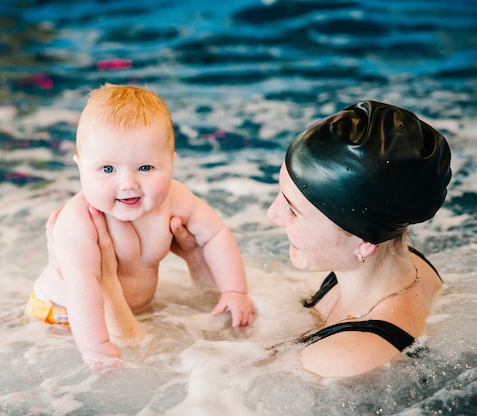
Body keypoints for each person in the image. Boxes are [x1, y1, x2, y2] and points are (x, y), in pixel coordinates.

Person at [89, 100, 452, 378]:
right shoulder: (398, 266)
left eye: (293, 210)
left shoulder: (345, 358)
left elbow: (170, 381)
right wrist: (198, 259)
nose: (272, 214)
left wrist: (104, 281)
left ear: (363, 241)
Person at [27, 83, 254, 365]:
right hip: (63, 316)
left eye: (146, 168)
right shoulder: (79, 221)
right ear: (80, 166)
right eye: (107, 169)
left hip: (128, 312)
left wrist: (234, 290)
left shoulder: (174, 197)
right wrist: (96, 347)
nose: (128, 184)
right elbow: (82, 286)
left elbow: (214, 234)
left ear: (171, 163)